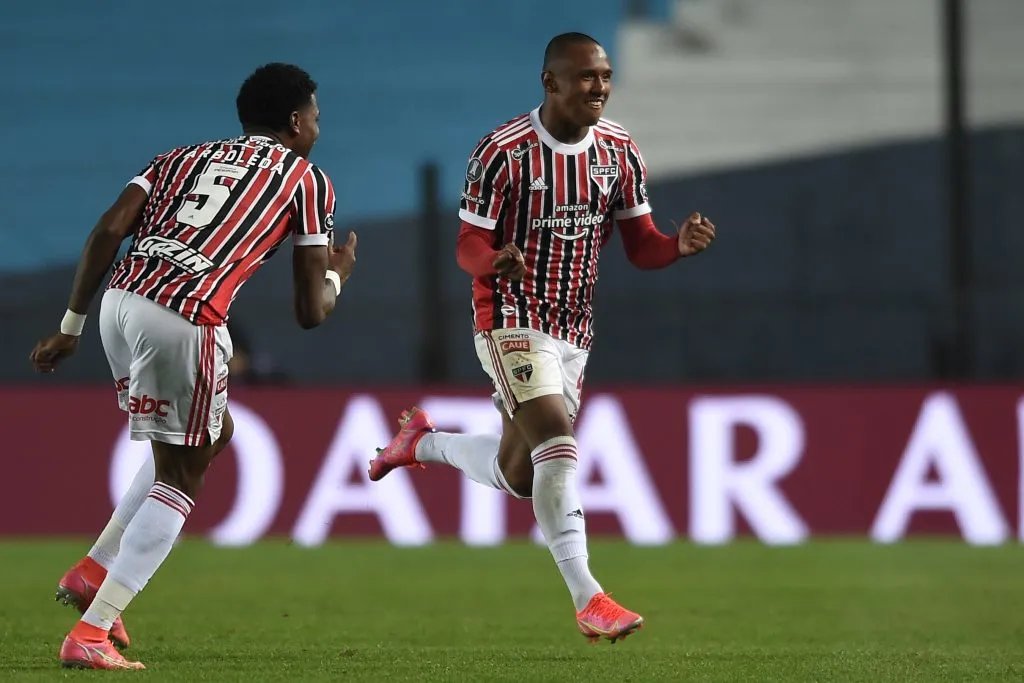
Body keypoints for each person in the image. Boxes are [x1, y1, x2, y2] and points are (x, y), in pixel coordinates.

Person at [369, 32, 715, 644]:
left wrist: (675, 249)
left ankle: (419, 444)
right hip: (510, 318)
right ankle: (590, 598)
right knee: (557, 442)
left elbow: (641, 246)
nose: (600, 88)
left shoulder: (620, 151)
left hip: (574, 331)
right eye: (586, 77)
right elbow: (467, 245)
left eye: (605, 76)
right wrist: (492, 263)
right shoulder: (503, 152)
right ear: (550, 82)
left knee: (522, 474)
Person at [29, 63, 357, 670]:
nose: (317, 125)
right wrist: (339, 270)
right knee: (182, 474)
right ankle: (92, 633)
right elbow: (312, 311)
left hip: (118, 306)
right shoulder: (307, 181)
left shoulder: (179, 157)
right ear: (294, 121)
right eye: (315, 115)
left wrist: (69, 326)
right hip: (184, 316)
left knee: (213, 434)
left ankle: (95, 567)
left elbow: (109, 229)